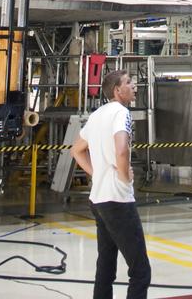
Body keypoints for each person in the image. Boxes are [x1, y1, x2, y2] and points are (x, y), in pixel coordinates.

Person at [71, 70, 151, 299]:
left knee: (105, 266)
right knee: (140, 270)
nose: (134, 85)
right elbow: (122, 149)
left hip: (98, 200)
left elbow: (76, 150)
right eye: (128, 82)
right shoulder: (121, 113)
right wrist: (125, 177)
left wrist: (98, 173)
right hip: (118, 200)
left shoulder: (97, 115)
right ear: (117, 90)